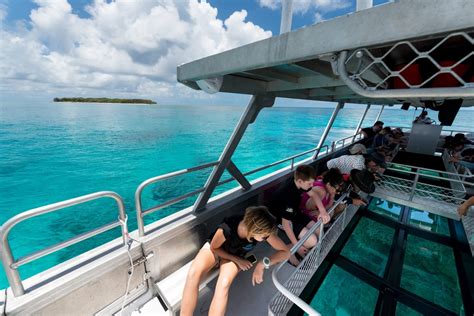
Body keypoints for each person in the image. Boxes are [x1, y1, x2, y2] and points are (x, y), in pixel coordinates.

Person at [181, 206, 290, 316]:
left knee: (223, 285)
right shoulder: (227, 228)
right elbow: (214, 247)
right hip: (218, 249)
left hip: (235, 255)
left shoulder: (262, 231)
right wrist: (237, 260)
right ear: (255, 230)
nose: (267, 237)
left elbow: (286, 252)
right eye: (265, 236)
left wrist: (262, 264)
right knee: (193, 274)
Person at [270, 165, 318, 259]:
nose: (312, 186)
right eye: (310, 184)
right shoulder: (289, 196)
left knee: (318, 229)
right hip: (280, 218)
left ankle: (302, 246)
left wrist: (323, 211)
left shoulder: (298, 181)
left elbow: (314, 194)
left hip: (293, 212)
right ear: (300, 181)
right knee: (312, 241)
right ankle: (290, 254)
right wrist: (297, 246)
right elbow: (286, 224)